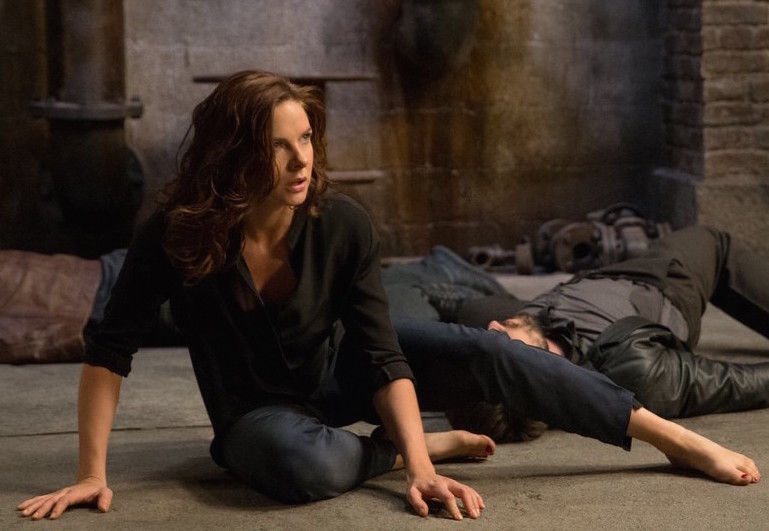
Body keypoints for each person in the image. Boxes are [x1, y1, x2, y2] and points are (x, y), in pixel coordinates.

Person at [17, 70, 495, 522]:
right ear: (231, 155)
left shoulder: (341, 220)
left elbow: (382, 353)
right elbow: (109, 352)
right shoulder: (174, 232)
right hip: (255, 421)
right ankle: (403, 449)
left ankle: (420, 441)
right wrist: (91, 475)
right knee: (301, 463)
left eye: (305, 138)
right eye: (277, 146)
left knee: (491, 351)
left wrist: (423, 471)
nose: (301, 159)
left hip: (334, 378)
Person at [463, 225, 769, 420]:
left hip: (588, 287)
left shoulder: (521, 329)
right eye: (499, 343)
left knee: (468, 305)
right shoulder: (631, 369)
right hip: (662, 283)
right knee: (712, 242)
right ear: (528, 382)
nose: (494, 327)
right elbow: (736, 383)